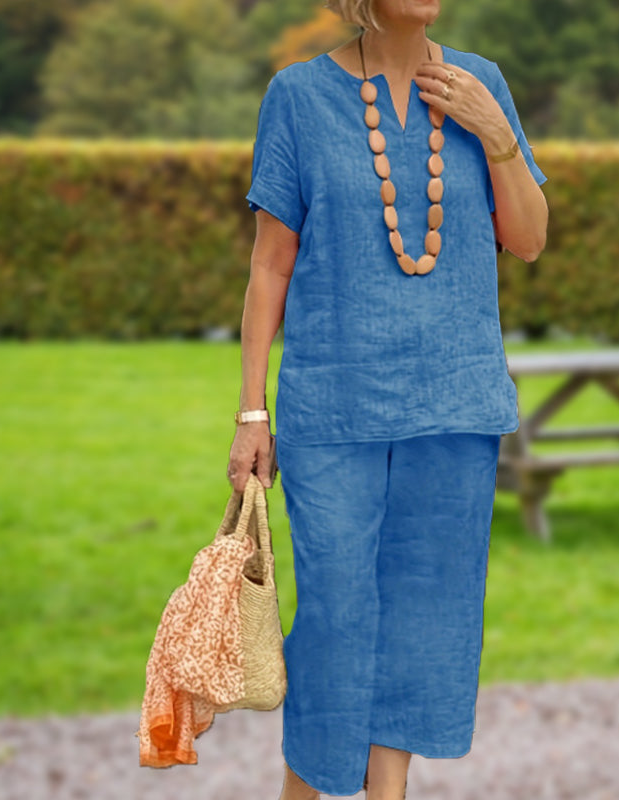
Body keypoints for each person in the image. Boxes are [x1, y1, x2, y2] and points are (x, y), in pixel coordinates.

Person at [227, 0, 548, 797]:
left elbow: (529, 239)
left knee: (426, 618)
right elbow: (270, 264)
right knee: (334, 616)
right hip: (335, 405)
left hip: (456, 403)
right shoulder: (298, 96)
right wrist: (251, 411)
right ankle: (305, 790)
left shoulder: (482, 82)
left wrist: (497, 135)